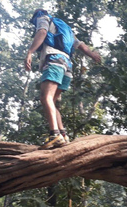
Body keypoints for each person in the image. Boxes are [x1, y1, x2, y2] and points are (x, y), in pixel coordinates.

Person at [25, 9, 102, 149]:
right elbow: (80, 45)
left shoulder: (42, 17)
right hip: (67, 65)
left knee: (45, 97)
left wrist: (30, 52)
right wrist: (93, 55)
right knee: (52, 101)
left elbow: (42, 32)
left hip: (54, 60)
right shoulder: (66, 28)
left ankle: (54, 135)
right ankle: (63, 135)